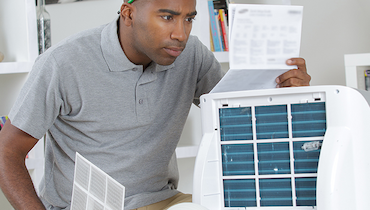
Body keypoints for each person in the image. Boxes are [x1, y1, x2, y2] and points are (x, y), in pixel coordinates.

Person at [0, 0, 311, 209]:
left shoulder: (191, 55)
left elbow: (240, 121)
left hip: (165, 201)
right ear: (128, 13)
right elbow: (7, 150)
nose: (181, 33)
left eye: (189, 19)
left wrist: (286, 92)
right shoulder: (63, 63)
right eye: (167, 17)